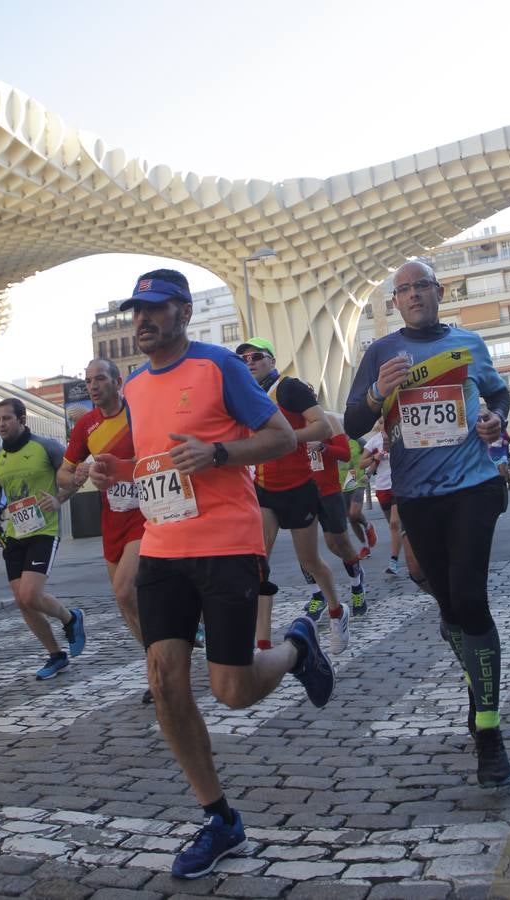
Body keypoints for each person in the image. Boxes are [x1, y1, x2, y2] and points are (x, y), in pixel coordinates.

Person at [89, 269, 336, 880]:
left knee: (232, 689)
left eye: (155, 309)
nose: (142, 321)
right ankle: (220, 818)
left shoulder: (220, 366)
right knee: (167, 682)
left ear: (184, 311)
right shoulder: (139, 386)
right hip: (164, 546)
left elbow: (280, 438)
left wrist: (218, 453)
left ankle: (296, 647)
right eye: (135, 311)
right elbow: (154, 465)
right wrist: (117, 470)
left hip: (227, 544)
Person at [345, 259, 510, 789]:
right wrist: (377, 394)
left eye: (422, 285)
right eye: (404, 289)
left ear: (439, 291)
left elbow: (498, 395)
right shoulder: (379, 352)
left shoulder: (469, 343)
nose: (415, 294)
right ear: (394, 302)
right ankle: (477, 683)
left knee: (469, 599)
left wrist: (495, 420)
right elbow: (353, 422)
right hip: (417, 497)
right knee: (448, 608)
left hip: (473, 487)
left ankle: (489, 731)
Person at [236, 337, 349, 655]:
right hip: (263, 490)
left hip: (299, 488)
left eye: (256, 356)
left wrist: (285, 438)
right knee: (260, 565)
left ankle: (337, 611)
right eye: (243, 359)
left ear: (272, 360)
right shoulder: (244, 395)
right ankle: (263, 644)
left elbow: (323, 428)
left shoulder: (290, 388)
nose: (250, 362)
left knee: (310, 560)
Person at [57, 358, 150, 701]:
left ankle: (160, 668)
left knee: (126, 590)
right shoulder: (85, 427)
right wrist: (79, 474)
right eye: (88, 381)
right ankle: (157, 655)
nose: (93, 386)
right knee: (125, 601)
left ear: (118, 380)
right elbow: (63, 475)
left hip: (148, 514)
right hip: (112, 519)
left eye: (99, 379)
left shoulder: (139, 413)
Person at [0, 398, 86, 680]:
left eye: (7, 418)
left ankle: (71, 618)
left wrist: (59, 498)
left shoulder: (46, 446)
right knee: (22, 601)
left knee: (30, 594)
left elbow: (75, 478)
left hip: (44, 530)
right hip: (15, 534)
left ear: (22, 419)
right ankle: (56, 655)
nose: (1, 424)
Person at [303, 421, 366, 618]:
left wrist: (323, 447)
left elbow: (345, 454)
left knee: (338, 544)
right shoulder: (289, 423)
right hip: (302, 493)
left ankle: (357, 586)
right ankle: (317, 595)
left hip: (329, 493)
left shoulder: (327, 420)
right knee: (304, 547)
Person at [359, 420, 404, 576]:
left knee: (394, 524)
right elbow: (361, 463)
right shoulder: (374, 440)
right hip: (382, 488)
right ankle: (405, 539)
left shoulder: (401, 434)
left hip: (399, 485)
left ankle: (393, 562)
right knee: (395, 527)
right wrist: (375, 457)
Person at [337, 435, 377, 558]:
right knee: (351, 518)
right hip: (342, 483)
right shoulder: (333, 442)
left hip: (358, 480)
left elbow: (374, 454)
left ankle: (367, 525)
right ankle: (364, 547)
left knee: (354, 513)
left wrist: (369, 473)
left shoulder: (357, 440)